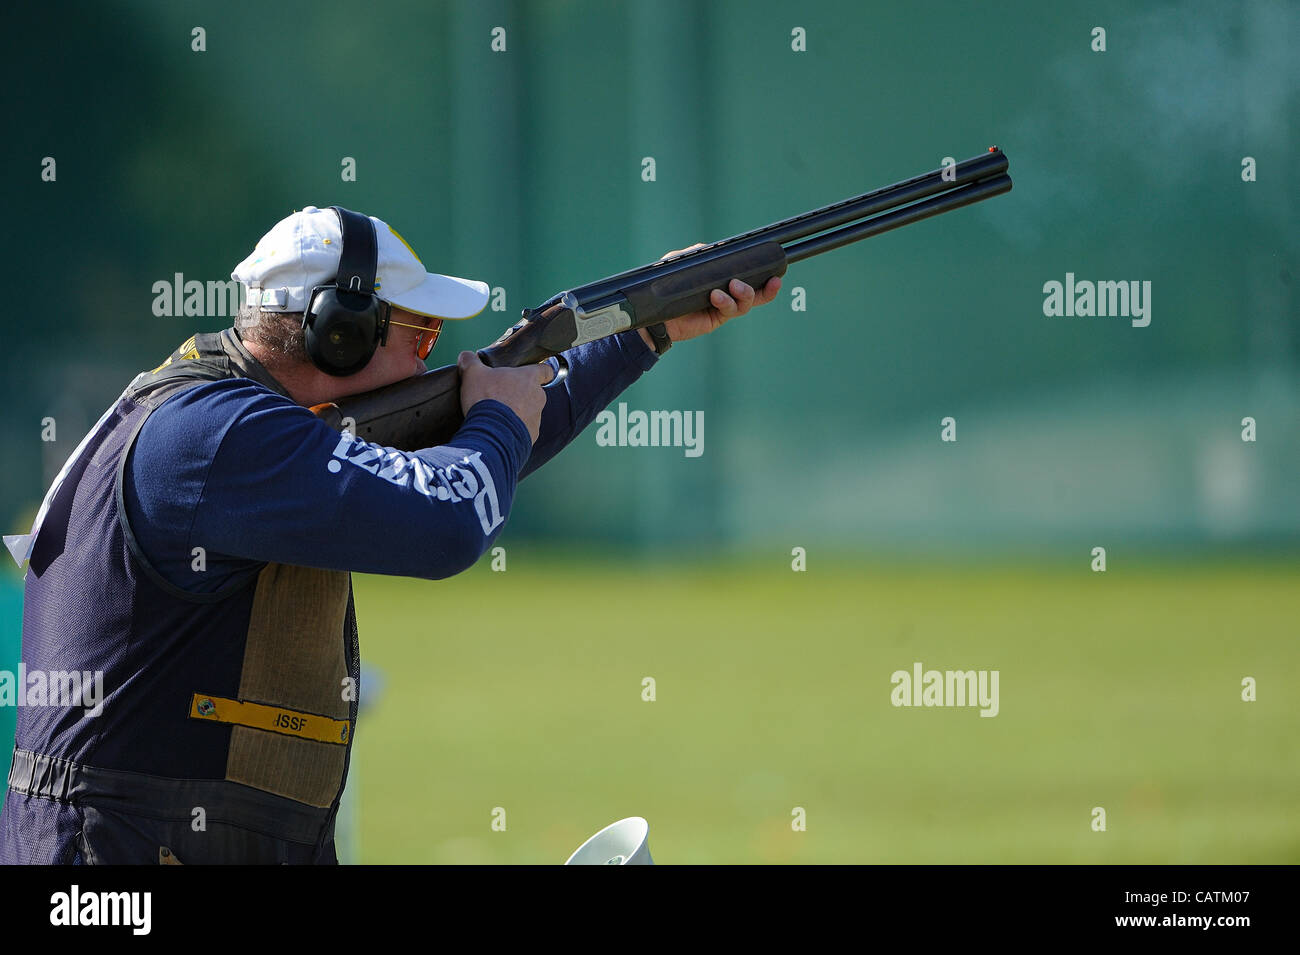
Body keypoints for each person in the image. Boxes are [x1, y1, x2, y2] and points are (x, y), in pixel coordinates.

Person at [0, 205, 780, 864]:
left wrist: (645, 329)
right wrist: (498, 415)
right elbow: (446, 520)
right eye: (422, 335)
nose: (432, 357)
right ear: (340, 332)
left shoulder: (235, 416)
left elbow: (485, 465)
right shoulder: (215, 437)